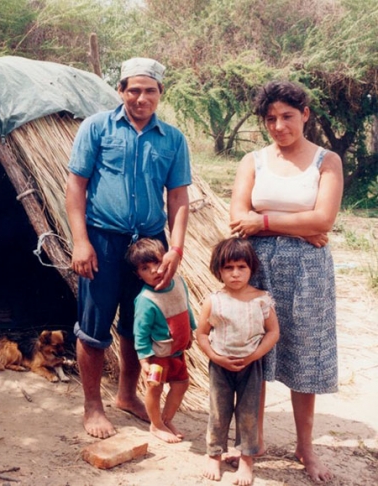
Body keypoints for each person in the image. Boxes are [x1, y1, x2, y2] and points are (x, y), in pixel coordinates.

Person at [66, 57, 191, 438]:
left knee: (140, 321)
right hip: (103, 239)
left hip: (151, 244)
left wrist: (177, 248)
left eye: (149, 90)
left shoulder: (172, 140)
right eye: (133, 89)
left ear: (159, 94)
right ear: (120, 90)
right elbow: (76, 187)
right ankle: (92, 407)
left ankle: (127, 395)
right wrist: (81, 241)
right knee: (94, 325)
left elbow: (179, 197)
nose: (140, 97)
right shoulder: (97, 128)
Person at [229, 80, 343, 482]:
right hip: (257, 268)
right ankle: (249, 450)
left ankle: (305, 448)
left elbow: (323, 220)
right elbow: (237, 217)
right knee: (254, 356)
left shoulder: (326, 161)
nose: (279, 126)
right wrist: (296, 226)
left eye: (288, 117)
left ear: (305, 115)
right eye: (271, 118)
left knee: (304, 358)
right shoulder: (253, 161)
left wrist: (264, 220)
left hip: (309, 272)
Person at [196, 238, 280, 486]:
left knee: (248, 414)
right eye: (228, 268)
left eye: (241, 267)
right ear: (218, 270)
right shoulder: (214, 300)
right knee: (219, 412)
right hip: (220, 366)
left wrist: (254, 356)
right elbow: (201, 333)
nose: (235, 274)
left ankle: (246, 459)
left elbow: (273, 332)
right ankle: (214, 454)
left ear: (251, 268)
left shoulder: (262, 300)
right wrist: (215, 356)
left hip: (250, 366)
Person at [126, 238, 196, 444]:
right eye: (145, 268)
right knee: (155, 388)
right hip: (158, 357)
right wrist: (144, 360)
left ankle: (166, 419)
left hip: (177, 353)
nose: (155, 271)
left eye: (157, 263)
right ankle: (156, 425)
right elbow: (140, 332)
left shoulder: (179, 283)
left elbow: (186, 308)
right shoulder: (146, 300)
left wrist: (190, 331)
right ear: (137, 274)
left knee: (181, 384)